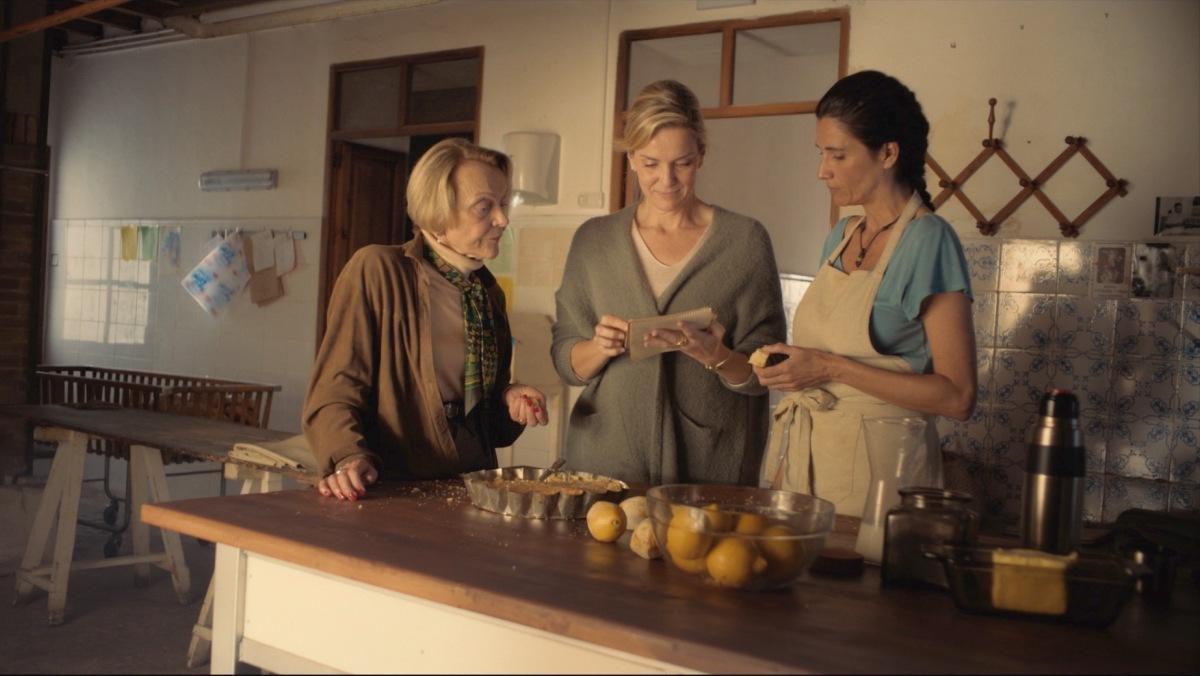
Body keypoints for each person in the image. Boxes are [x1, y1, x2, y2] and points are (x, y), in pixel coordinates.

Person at [753, 70, 977, 517]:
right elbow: (821, 359)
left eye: (837, 155)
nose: (822, 171)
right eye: (821, 154)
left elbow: (958, 398)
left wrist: (828, 367)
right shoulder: (840, 234)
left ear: (888, 152)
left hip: (882, 483)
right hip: (802, 466)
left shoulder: (929, 241)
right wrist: (792, 366)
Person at [552, 80, 786, 485]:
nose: (667, 179)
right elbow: (567, 364)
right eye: (650, 163)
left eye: (682, 162)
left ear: (701, 156)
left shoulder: (745, 241)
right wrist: (599, 347)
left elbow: (764, 374)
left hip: (708, 469)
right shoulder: (593, 241)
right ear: (631, 159)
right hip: (605, 462)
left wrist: (716, 355)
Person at [304, 138, 548, 501]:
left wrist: (510, 399)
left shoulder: (486, 292)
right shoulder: (378, 270)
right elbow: (335, 390)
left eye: (502, 203)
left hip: (470, 485)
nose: (502, 219)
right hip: (390, 490)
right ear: (438, 214)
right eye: (484, 207)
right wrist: (347, 456)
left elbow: (487, 426)